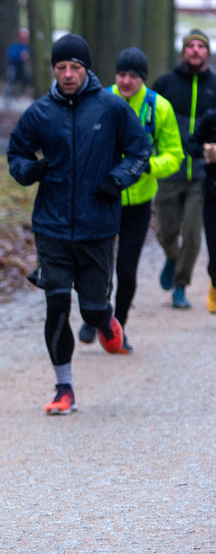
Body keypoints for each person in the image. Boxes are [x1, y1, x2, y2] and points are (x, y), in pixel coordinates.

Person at [7, 34, 151, 415]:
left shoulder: (112, 108)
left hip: (97, 226)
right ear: (53, 70)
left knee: (90, 309)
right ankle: (64, 387)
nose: (68, 74)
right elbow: (16, 153)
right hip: (51, 227)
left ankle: (105, 320)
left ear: (87, 69)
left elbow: (140, 151)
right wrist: (29, 170)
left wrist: (118, 178)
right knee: (56, 307)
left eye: (75, 67)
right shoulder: (40, 113)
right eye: (61, 67)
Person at [78, 47, 184, 352]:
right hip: (102, 197)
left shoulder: (158, 107)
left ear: (143, 79)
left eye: (133, 76)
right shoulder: (97, 99)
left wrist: (147, 166)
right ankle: (95, 315)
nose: (126, 81)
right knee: (97, 266)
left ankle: (116, 327)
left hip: (138, 203)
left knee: (125, 269)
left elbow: (174, 154)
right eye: (122, 74)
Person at [152, 29, 216, 308]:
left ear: (208, 53)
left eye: (201, 46)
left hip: (202, 175)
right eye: (190, 45)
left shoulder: (215, 86)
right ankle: (171, 255)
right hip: (169, 169)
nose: (195, 50)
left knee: (192, 233)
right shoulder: (165, 83)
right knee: (166, 232)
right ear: (183, 51)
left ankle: (181, 286)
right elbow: (147, 118)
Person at [184, 109, 216, 313]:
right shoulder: (211, 118)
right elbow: (190, 144)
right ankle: (215, 282)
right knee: (214, 249)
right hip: (213, 193)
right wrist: (207, 150)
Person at [3, 29, 31, 107]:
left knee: (25, 81)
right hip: (13, 67)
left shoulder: (27, 47)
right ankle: (7, 98)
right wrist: (20, 56)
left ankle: (17, 95)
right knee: (11, 82)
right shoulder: (15, 46)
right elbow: (11, 56)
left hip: (22, 68)